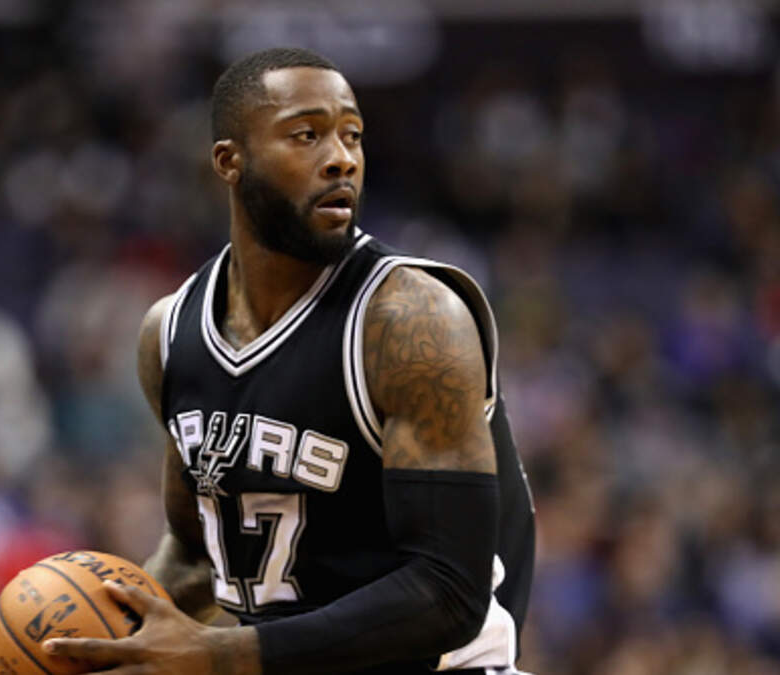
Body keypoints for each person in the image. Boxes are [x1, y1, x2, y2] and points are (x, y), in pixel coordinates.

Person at [43, 46, 536, 675]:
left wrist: (221, 654)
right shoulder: (170, 333)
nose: (342, 158)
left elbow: (449, 594)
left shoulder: (410, 319)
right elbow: (198, 554)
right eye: (306, 135)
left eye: (352, 135)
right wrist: (102, 641)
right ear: (230, 161)